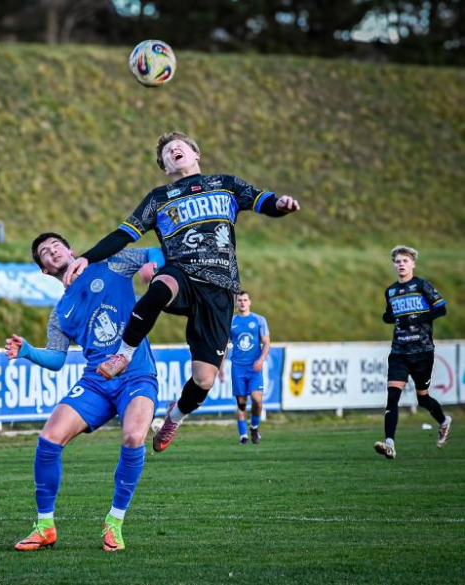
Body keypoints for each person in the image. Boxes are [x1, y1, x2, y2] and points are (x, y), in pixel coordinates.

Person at [62, 131, 299, 452]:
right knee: (161, 285)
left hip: (220, 289)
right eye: (167, 151)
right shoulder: (159, 197)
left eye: (180, 146)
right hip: (182, 273)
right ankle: (125, 354)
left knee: (204, 380)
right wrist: (87, 257)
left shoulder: (225, 184)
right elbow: (123, 235)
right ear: (164, 166)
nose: (174, 149)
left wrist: (281, 204)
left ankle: (175, 415)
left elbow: (263, 201)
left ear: (195, 153)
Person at [7, 232, 164, 552]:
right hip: (96, 381)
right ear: (44, 269)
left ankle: (114, 523)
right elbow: (55, 359)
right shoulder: (61, 311)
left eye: (55, 247)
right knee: (49, 439)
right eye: (44, 254)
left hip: (136, 374)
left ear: (70, 251)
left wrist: (154, 269)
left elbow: (156, 251)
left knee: (134, 436)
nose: (52, 253)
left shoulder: (112, 264)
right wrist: (27, 351)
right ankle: (45, 527)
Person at [374, 245, 450, 460]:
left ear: (413, 264)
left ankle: (444, 421)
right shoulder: (390, 291)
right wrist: (388, 317)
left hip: (423, 351)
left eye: (405, 261)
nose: (401, 264)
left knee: (423, 399)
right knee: (392, 398)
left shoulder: (422, 285)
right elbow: (390, 315)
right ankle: (389, 444)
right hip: (399, 351)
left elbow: (441, 308)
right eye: (397, 261)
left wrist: (419, 318)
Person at [219, 290, 269, 444]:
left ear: (249, 302)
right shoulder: (231, 321)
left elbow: (266, 342)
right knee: (241, 403)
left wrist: (261, 359)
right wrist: (221, 368)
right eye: (239, 300)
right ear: (236, 303)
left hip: (254, 367)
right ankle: (243, 436)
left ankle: (254, 427)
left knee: (256, 400)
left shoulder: (259, 320)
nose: (242, 302)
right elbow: (225, 346)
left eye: (245, 300)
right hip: (238, 367)